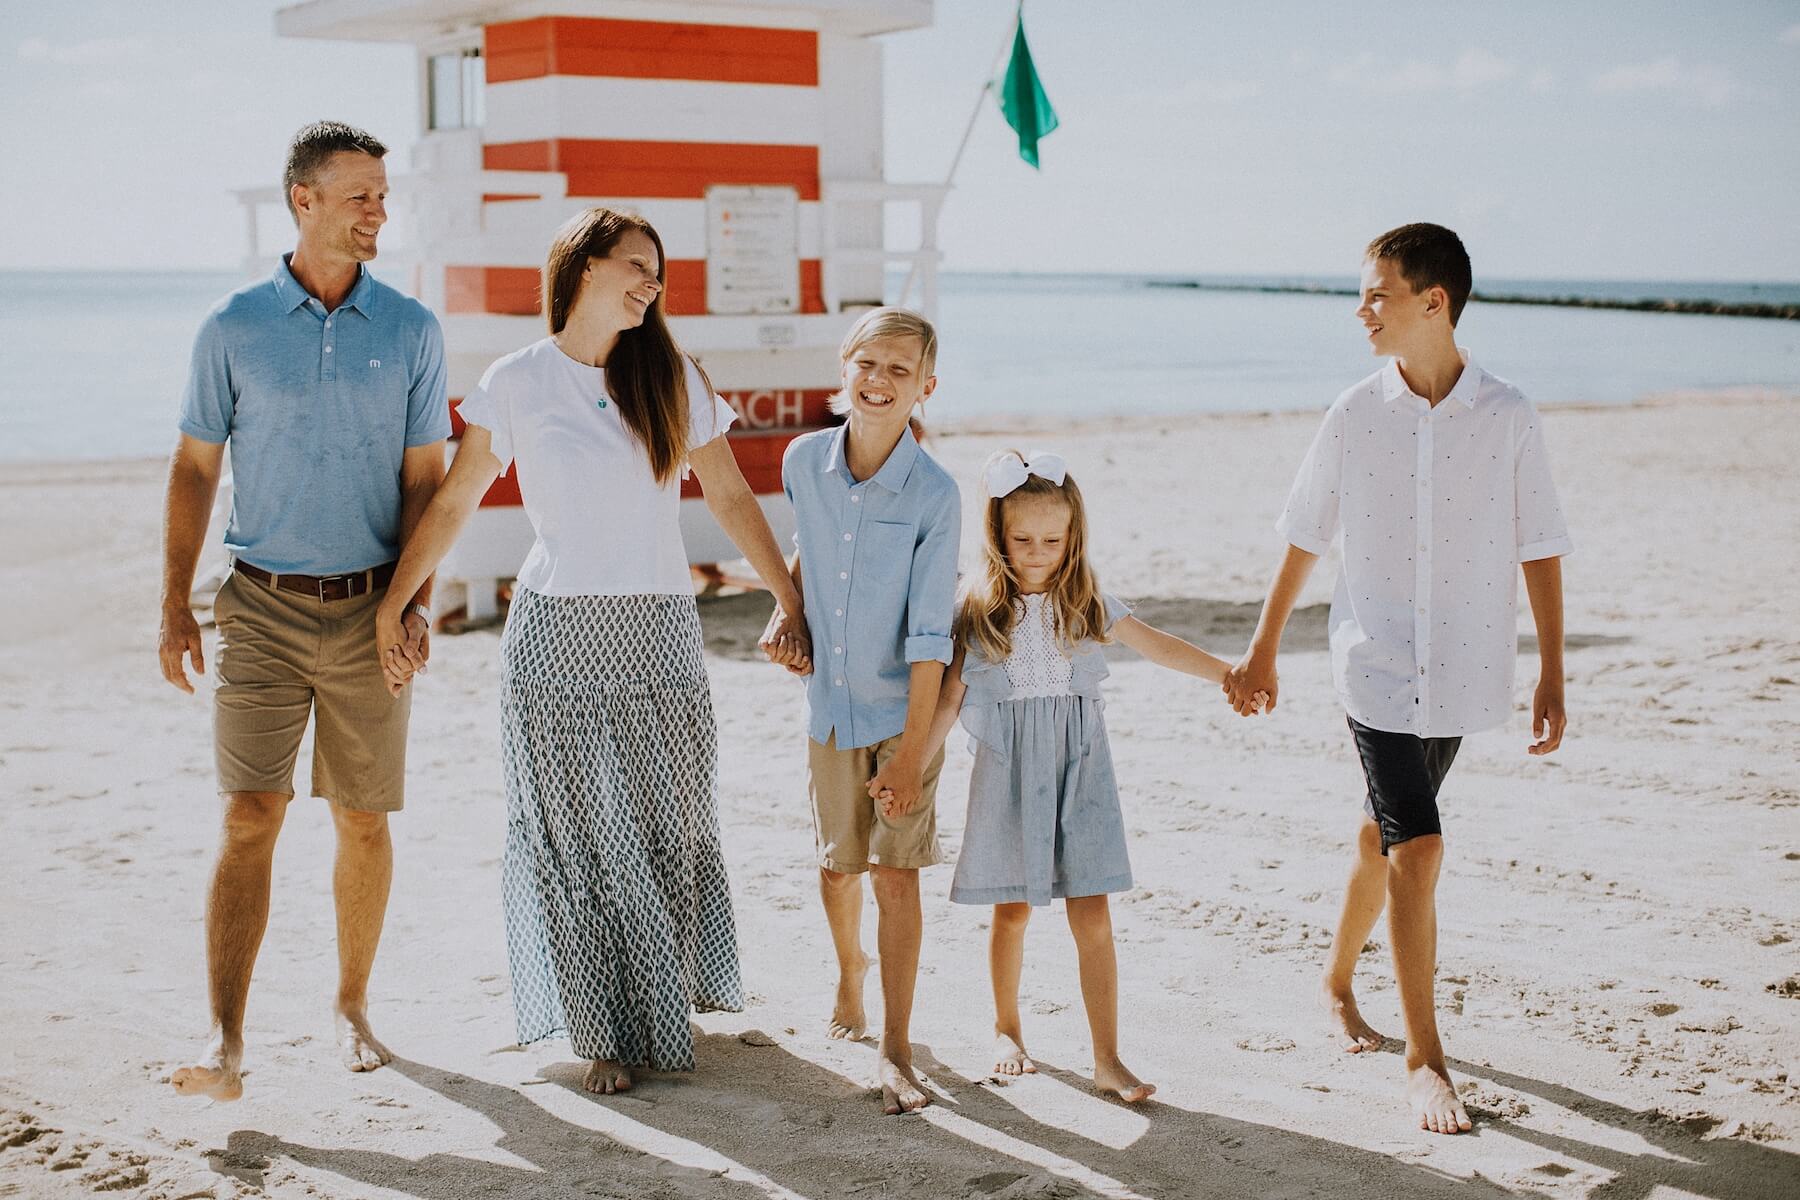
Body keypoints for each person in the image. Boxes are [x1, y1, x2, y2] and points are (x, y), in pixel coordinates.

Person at [373, 206, 808, 1096]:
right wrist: (402, 602)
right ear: (581, 268)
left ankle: (662, 1001)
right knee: (574, 834)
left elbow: (727, 498)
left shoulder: (673, 376)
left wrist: (788, 597)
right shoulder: (519, 380)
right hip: (555, 633)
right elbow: (455, 503)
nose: (652, 283)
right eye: (637, 265)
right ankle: (600, 1029)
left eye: (660, 271)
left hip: (658, 630)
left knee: (669, 822)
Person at [1224, 223, 1571, 1135]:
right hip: (1373, 666)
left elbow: (1540, 547)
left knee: (1382, 837)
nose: (1361, 309)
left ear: (1434, 302)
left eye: (1378, 293)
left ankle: (1336, 980)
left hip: (1461, 668)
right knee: (1418, 849)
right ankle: (1425, 1060)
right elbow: (1306, 532)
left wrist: (1553, 671)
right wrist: (1263, 649)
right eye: (1362, 292)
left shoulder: (1509, 415)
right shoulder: (1353, 412)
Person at [158, 120, 449, 1100]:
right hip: (262, 609)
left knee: (363, 820)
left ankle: (352, 1004)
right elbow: (196, 470)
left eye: (381, 192)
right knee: (251, 815)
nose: (379, 209)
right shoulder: (233, 326)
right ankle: (224, 1040)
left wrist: (413, 605)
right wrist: (173, 602)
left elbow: (426, 482)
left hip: (372, 607)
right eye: (359, 193)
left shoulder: (412, 330)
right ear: (305, 200)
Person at [899, 451, 1259, 1104]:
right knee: (1012, 912)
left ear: (1074, 539)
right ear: (998, 536)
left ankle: (1107, 1058)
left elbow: (1157, 645)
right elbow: (949, 701)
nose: (1037, 553)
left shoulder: (1088, 602)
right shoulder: (976, 609)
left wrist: (1227, 673)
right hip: (1008, 773)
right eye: (1022, 539)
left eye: (1052, 540)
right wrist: (910, 771)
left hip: (1081, 772)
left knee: (1092, 915)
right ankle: (1008, 1029)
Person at [766, 307, 960, 1115]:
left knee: (896, 877)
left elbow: (928, 641)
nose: (879, 382)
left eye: (898, 371)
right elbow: (819, 543)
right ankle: (850, 972)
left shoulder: (936, 493)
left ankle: (896, 1044)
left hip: (900, 714)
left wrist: (913, 754)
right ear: (841, 370)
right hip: (827, 710)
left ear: (925, 388)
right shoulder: (803, 459)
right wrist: (789, 608)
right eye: (866, 365)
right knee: (836, 866)